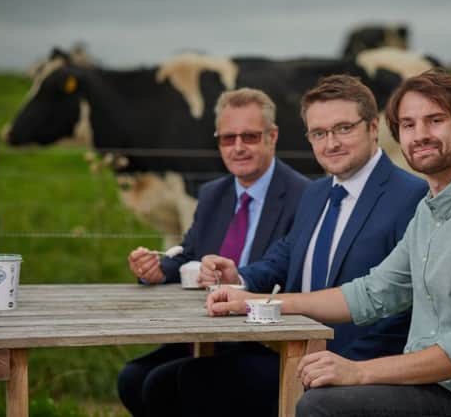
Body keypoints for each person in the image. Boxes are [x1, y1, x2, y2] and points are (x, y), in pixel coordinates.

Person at [207, 69, 451, 417]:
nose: (421, 135)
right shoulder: (431, 209)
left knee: (321, 404)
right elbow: (372, 293)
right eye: (408, 124)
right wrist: (258, 301)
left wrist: (357, 371)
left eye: (435, 121)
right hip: (434, 387)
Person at [176, 74, 428, 417]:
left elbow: (406, 305)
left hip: (361, 366)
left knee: (195, 385)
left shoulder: (411, 196)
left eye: (343, 129)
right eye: (319, 133)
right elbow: (284, 258)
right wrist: (240, 278)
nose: (331, 144)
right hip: (292, 351)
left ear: (373, 127)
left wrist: (347, 367)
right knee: (171, 381)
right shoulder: (316, 193)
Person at [117, 87, 310, 417]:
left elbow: (285, 268)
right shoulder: (212, 194)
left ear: (272, 136)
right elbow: (188, 253)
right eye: (227, 138)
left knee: (170, 384)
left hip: (267, 341)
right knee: (132, 379)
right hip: (207, 331)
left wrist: (240, 280)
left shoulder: (303, 195)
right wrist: (158, 268)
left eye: (249, 136)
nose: (238, 148)